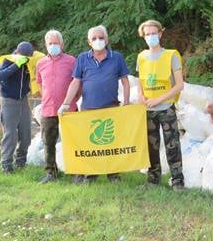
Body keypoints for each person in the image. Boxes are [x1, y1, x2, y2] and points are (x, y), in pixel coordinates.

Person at [58, 25, 130, 184]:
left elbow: (125, 81)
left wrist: (126, 103)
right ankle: (91, 174)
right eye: (94, 38)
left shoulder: (116, 57)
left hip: (110, 107)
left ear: (107, 39)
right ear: (89, 42)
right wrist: (65, 104)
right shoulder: (83, 58)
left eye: (101, 37)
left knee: (111, 144)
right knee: (91, 144)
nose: (98, 41)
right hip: (89, 109)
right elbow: (76, 82)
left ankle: (113, 175)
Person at [136, 19, 185, 190]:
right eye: (147, 34)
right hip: (148, 110)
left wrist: (159, 99)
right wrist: (140, 95)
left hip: (166, 108)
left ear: (160, 34)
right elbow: (140, 81)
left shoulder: (171, 55)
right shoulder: (141, 57)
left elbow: (179, 85)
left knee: (172, 145)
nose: (151, 37)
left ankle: (178, 181)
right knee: (151, 146)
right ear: (143, 37)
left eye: (153, 33)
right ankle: (153, 180)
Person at [35, 30, 78, 184]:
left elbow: (77, 83)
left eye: (56, 43)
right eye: (50, 43)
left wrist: (72, 101)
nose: (53, 46)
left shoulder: (72, 61)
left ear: (62, 44)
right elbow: (40, 84)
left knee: (72, 141)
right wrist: (47, 98)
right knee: (48, 142)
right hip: (48, 110)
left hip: (69, 109)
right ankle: (51, 173)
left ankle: (76, 172)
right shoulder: (40, 63)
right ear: (46, 45)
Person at [0, 41, 34, 173]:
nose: (26, 58)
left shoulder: (30, 62)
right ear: (17, 52)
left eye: (28, 57)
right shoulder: (8, 60)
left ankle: (21, 161)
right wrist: (16, 65)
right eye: (24, 56)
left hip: (23, 100)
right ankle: (6, 164)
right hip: (9, 100)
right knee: (11, 134)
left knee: (26, 133)